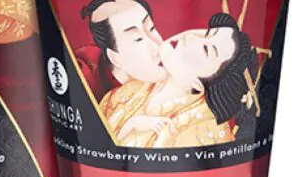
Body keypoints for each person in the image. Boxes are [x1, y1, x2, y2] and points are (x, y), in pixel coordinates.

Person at [100, 11, 258, 148]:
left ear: (199, 84)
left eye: (206, 49)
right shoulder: (132, 89)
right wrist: (131, 124)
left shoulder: (201, 130)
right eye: (207, 33)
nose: (190, 37)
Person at [78, 0, 166, 102]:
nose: (157, 47)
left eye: (151, 28)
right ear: (114, 57)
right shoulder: (85, 77)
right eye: (138, 39)